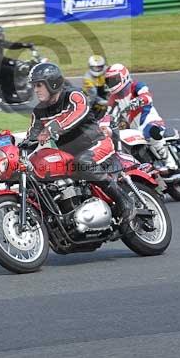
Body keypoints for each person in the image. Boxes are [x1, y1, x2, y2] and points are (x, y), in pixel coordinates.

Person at [25, 62, 137, 233]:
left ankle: (124, 201)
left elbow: (79, 113)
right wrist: (12, 154)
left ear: (52, 83)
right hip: (70, 156)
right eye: (34, 85)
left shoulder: (73, 95)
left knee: (83, 162)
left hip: (97, 144)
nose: (36, 89)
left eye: (39, 85)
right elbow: (31, 137)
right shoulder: (39, 112)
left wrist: (53, 128)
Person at [105, 63, 178, 172]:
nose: (112, 84)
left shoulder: (136, 86)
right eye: (109, 81)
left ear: (123, 76)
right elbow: (108, 112)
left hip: (149, 120)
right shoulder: (113, 97)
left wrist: (138, 101)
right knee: (121, 141)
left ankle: (171, 165)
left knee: (151, 133)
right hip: (133, 128)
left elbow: (147, 96)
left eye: (114, 80)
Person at [0, 24, 34, 101]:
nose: (1, 35)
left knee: (15, 69)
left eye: (1, 33)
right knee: (14, 71)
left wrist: (24, 45)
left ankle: (19, 89)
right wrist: (12, 61)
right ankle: (10, 94)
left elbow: (10, 45)